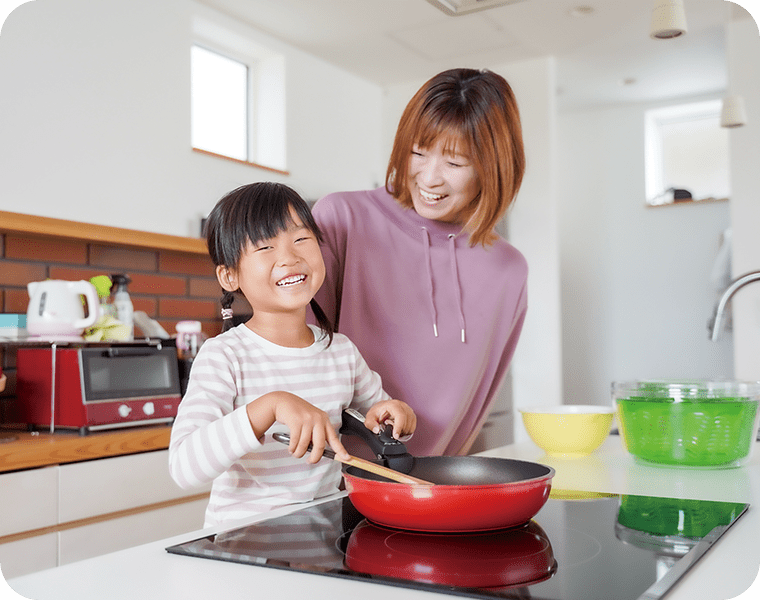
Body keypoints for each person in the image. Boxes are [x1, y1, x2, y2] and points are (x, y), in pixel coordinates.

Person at [168, 182, 416, 527]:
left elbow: (380, 418)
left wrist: (396, 415)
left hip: (324, 534)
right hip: (245, 543)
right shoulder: (224, 356)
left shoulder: (340, 351)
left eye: (301, 239)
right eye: (265, 247)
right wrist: (269, 406)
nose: (289, 257)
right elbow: (183, 467)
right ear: (229, 275)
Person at [311, 68, 527, 457]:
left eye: (455, 163)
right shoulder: (343, 218)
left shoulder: (508, 270)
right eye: (418, 152)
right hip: (328, 481)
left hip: (429, 489)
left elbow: (477, 400)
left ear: (494, 167)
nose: (430, 178)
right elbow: (298, 352)